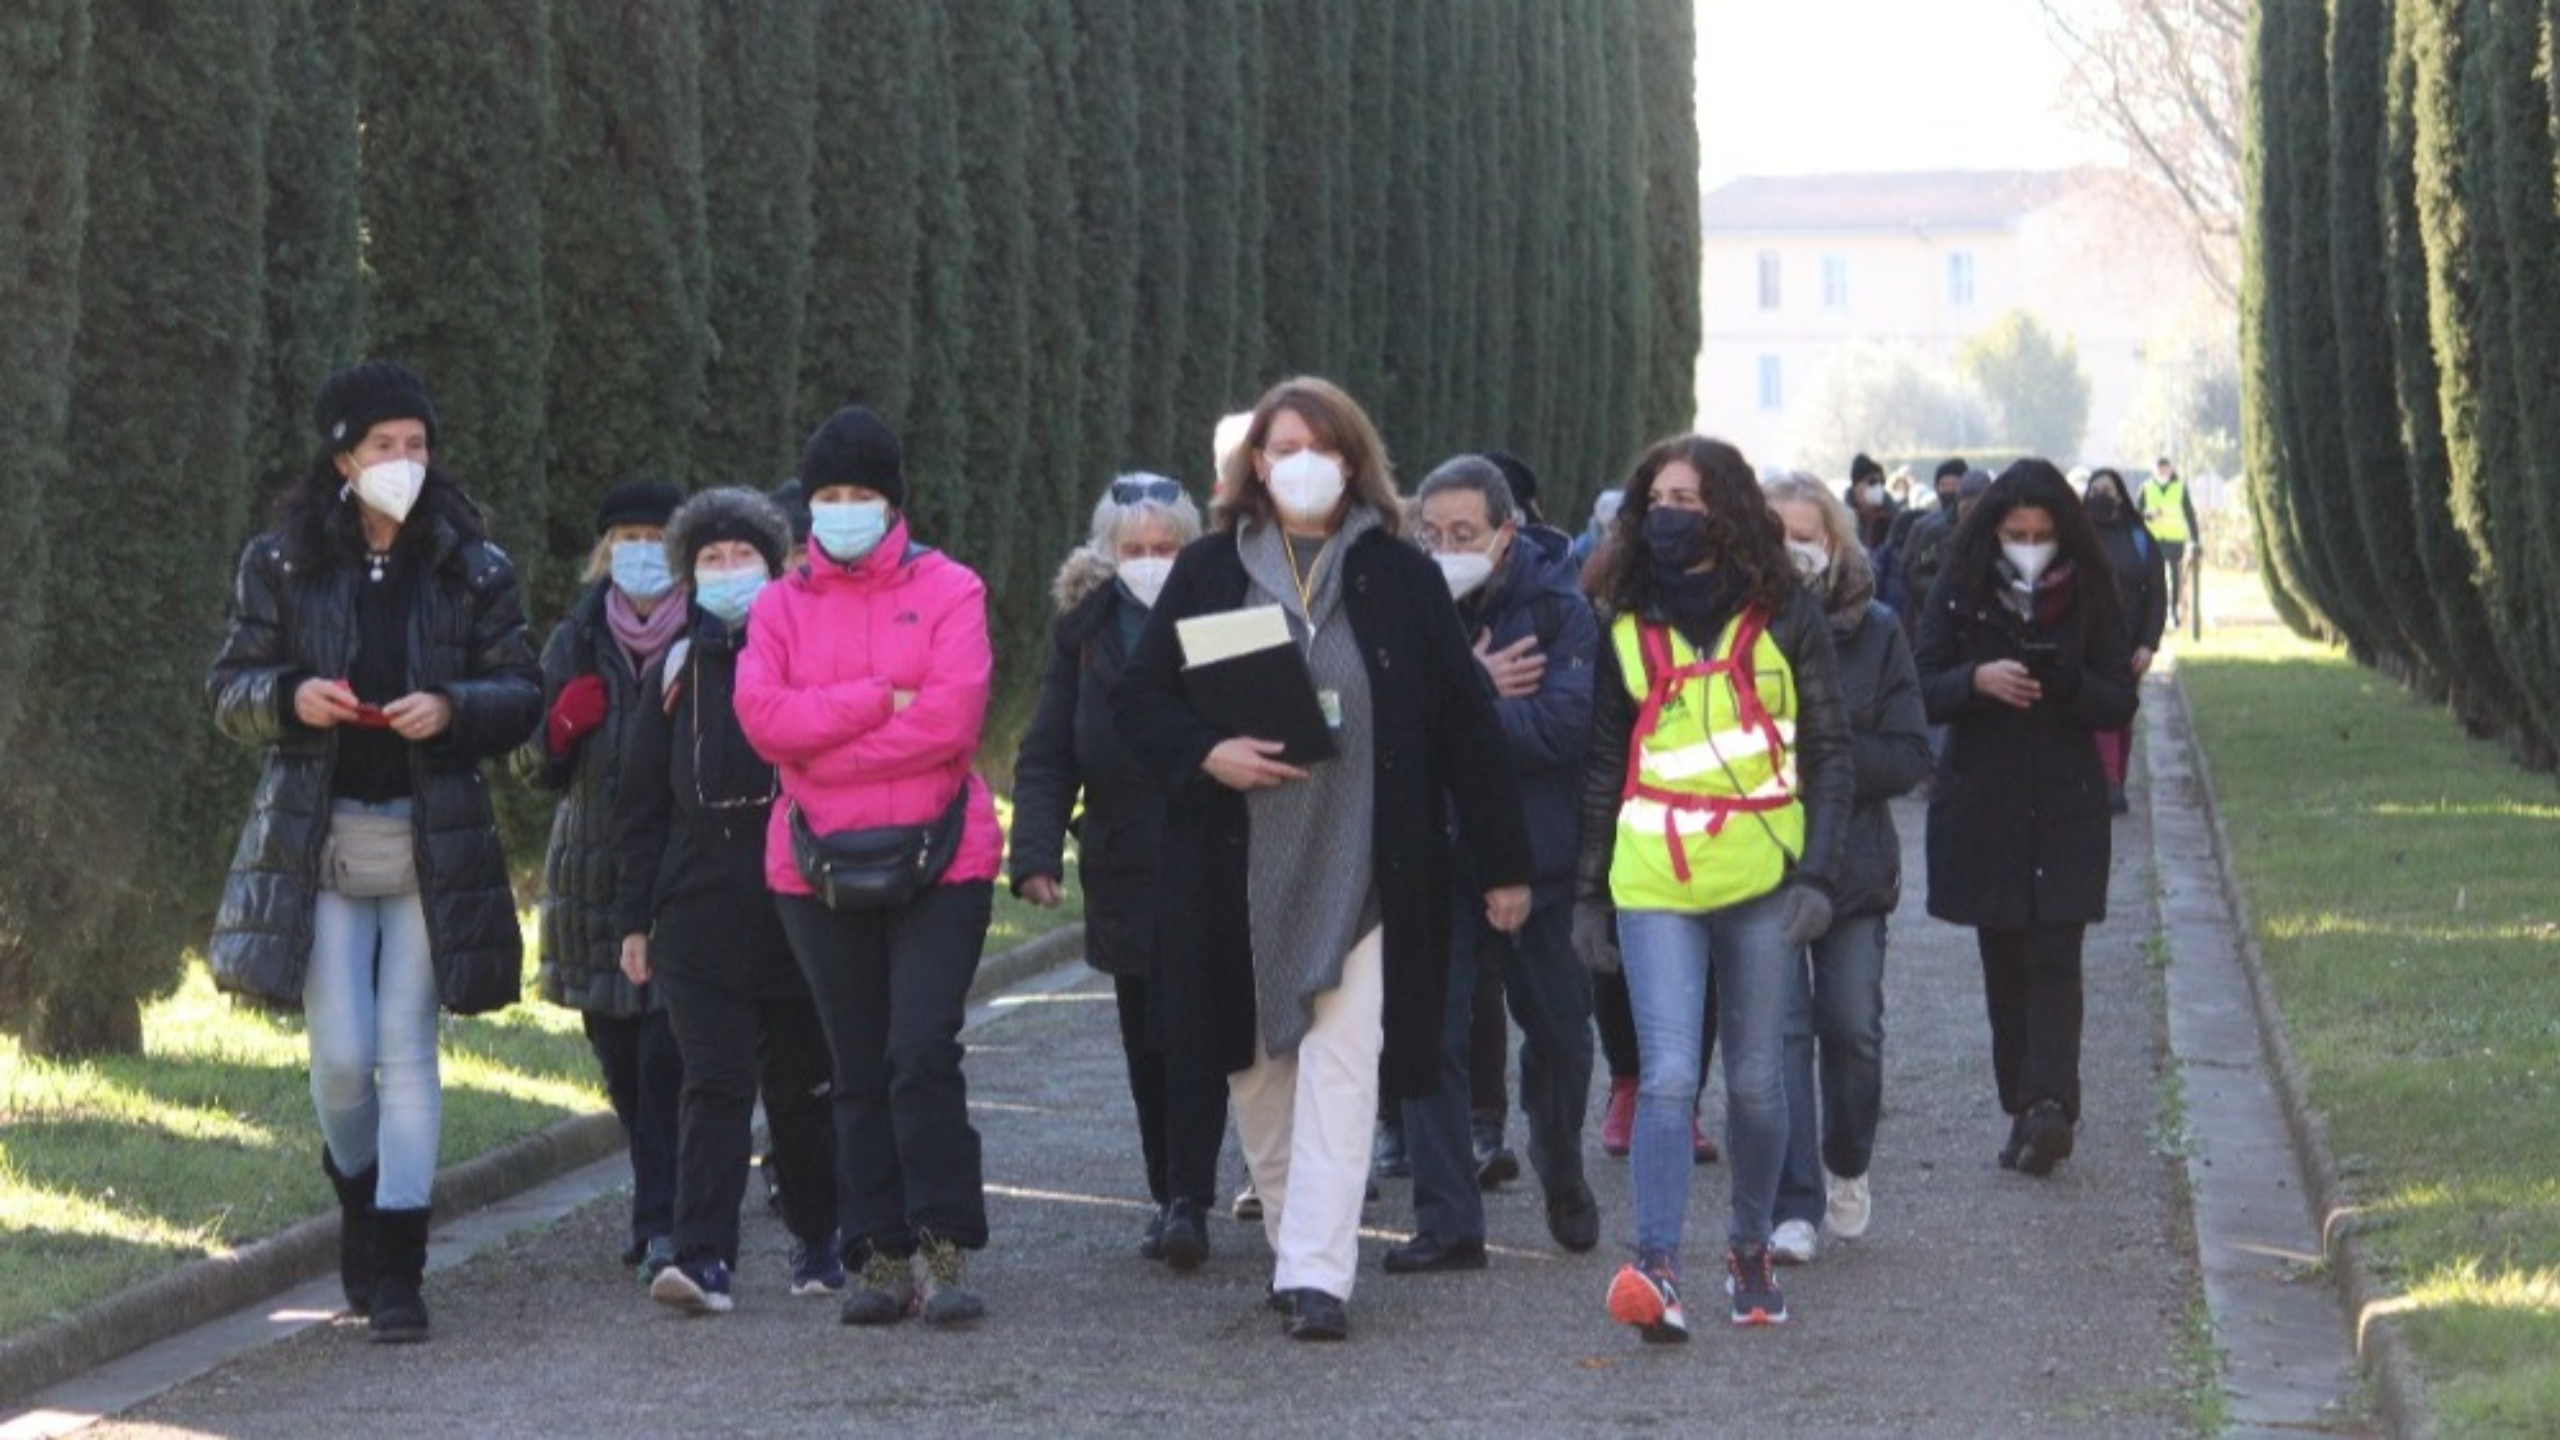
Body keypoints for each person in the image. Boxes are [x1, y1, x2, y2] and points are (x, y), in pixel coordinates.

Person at [1114, 376, 1533, 1343]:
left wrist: (1506, 865)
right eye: (1279, 446)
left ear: (1351, 460)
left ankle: (1316, 1273)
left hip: (1369, 868)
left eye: (1320, 445)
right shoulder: (1211, 569)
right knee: (1258, 1072)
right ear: (1254, 465)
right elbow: (1142, 702)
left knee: (1343, 1065)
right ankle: (1296, 1233)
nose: (1299, 462)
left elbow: (1468, 730)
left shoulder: (1401, 575)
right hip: (1237, 867)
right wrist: (1204, 753)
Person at [207, 360, 542, 1343]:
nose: (406, 461)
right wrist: (284, 697)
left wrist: (451, 708)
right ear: (343, 456)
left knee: (407, 1049)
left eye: (419, 445)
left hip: (430, 845)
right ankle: (359, 1198)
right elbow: (229, 684)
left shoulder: (474, 565)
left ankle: (400, 1268)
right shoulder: (279, 561)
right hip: (319, 844)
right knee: (341, 1060)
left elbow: (517, 690)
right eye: (385, 445)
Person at [1573, 434, 1852, 1341]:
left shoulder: (1786, 616)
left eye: (1689, 497)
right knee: (1665, 1078)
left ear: (1726, 508)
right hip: (1654, 872)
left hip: (1764, 875)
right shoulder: (1621, 622)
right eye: (1657, 496)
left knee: (1759, 1082)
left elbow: (1829, 752)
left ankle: (1750, 1251)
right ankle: (1655, 1266)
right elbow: (1604, 763)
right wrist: (1586, 894)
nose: (1669, 511)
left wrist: (1818, 874)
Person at [735, 406, 1004, 1327]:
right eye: (829, 496)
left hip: (943, 856)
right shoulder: (775, 605)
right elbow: (767, 725)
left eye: (863, 495)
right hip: (814, 867)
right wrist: (877, 702)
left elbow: (951, 723)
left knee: (921, 1048)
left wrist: (828, 739)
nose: (844, 510)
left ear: (894, 504)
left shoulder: (953, 589)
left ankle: (943, 1243)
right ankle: (878, 1254)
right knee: (853, 1061)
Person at [611, 487, 845, 1316]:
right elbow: (639, 806)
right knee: (711, 1081)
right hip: (696, 914)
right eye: (710, 558)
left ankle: (821, 1238)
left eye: (741, 555)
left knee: (800, 1088)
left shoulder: (811, 653)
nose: (726, 570)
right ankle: (702, 1256)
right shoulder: (677, 669)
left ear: (777, 565)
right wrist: (634, 920)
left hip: (797, 907)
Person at [1008, 473, 1229, 1271]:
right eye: (1134, 549)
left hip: (1207, 846)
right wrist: (1032, 852)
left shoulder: (1220, 610)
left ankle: (1190, 1198)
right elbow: (1049, 745)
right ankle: (1163, 1187)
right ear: (1107, 554)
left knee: (1195, 1025)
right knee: (1146, 1035)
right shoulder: (1086, 628)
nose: (1150, 561)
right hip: (1121, 855)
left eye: (1165, 547)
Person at [1385, 455, 1601, 1274]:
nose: (1445, 547)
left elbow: (1561, 730)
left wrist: (1451, 708)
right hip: (1433, 859)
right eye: (1431, 533)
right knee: (1430, 1038)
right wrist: (1475, 690)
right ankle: (1448, 1221)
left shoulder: (1557, 606)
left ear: (1506, 533)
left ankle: (1561, 1164)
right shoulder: (1400, 601)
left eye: (1464, 534)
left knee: (1560, 1035)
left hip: (1535, 859)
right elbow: (1379, 726)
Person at [1913, 460, 2136, 1178]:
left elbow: (2117, 700)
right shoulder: (1961, 588)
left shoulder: (2093, 591)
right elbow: (1923, 683)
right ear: (1995, 531)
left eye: (2043, 534)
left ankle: (2051, 1106)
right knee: (2004, 959)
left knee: (2055, 955)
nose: (2030, 545)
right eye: (2017, 533)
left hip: (2065, 802)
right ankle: (2022, 1103)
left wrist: (2067, 681)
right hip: (1986, 800)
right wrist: (1978, 680)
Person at [520, 477, 689, 1281]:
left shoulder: (712, 636)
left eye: (657, 538)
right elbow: (529, 765)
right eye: (627, 538)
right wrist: (556, 731)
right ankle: (660, 1193)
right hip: (588, 878)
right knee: (621, 1059)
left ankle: (663, 1218)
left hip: (676, 876)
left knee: (668, 1056)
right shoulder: (575, 639)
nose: (641, 554)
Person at [1761, 475, 1931, 1264]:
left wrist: (1820, 757)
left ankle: (1847, 1162)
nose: (1793, 548)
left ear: (1833, 541)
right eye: (1776, 532)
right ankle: (1792, 1201)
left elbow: (1908, 752)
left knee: (1850, 1027)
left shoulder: (1880, 631)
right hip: (1760, 863)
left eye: (1807, 532)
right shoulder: (1735, 630)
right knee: (1783, 1031)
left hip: (1853, 868)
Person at [2082, 469, 2167, 813]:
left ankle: (2114, 777)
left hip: (2129, 647)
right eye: (2094, 489)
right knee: (2098, 714)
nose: (2100, 495)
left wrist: (2148, 643)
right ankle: (2108, 784)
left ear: (2120, 497)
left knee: (2120, 714)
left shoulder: (2140, 539)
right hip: (2086, 644)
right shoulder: (2077, 537)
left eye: (2107, 489)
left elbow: (2157, 596)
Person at [2137, 457, 2197, 628]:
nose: (2163, 472)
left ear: (2171, 470)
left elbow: (2189, 513)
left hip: (2174, 540)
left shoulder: (2179, 488)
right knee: (2154, 578)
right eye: (2160, 469)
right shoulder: (2146, 488)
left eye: (2166, 469)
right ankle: (2153, 613)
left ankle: (2173, 613)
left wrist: (2195, 539)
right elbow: (2135, 513)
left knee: (2174, 578)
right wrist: (2149, 516)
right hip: (2153, 540)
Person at [1847, 453, 1899, 553]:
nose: (1877, 487)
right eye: (1872, 482)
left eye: (1881, 482)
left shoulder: (1890, 516)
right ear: (1857, 487)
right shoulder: (1843, 519)